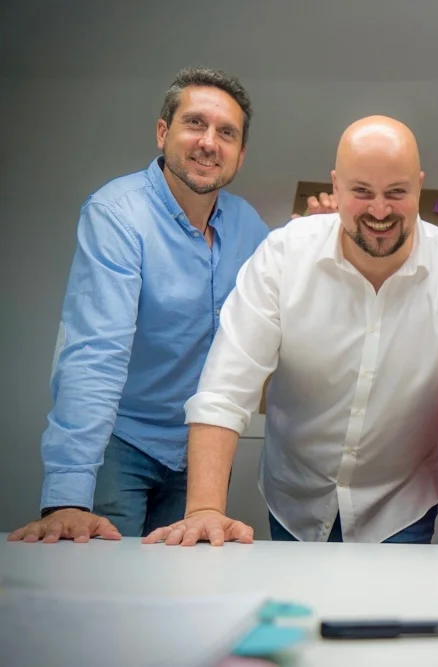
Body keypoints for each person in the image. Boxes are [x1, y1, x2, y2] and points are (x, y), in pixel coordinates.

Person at [143, 115, 438, 552]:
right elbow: (224, 388)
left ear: (419, 187)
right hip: (295, 496)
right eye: (362, 191)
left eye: (397, 192)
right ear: (336, 185)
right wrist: (203, 509)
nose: (380, 211)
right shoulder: (284, 254)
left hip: (399, 505)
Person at [8, 67, 269, 543]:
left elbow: (282, 313)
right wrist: (68, 499)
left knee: (183, 580)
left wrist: (325, 235)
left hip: (201, 450)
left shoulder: (248, 226)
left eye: (226, 133)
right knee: (103, 578)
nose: (209, 142)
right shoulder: (117, 214)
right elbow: (95, 353)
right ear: (163, 132)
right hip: (120, 444)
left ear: (241, 153)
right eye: (195, 123)